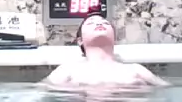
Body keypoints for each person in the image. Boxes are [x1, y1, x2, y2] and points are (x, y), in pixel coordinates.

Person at [42, 14, 170, 89]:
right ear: (80, 40)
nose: (99, 24)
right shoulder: (68, 70)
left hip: (134, 101)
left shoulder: (135, 69)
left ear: (115, 37)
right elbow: (39, 92)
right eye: (91, 23)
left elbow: (167, 89)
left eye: (105, 23)